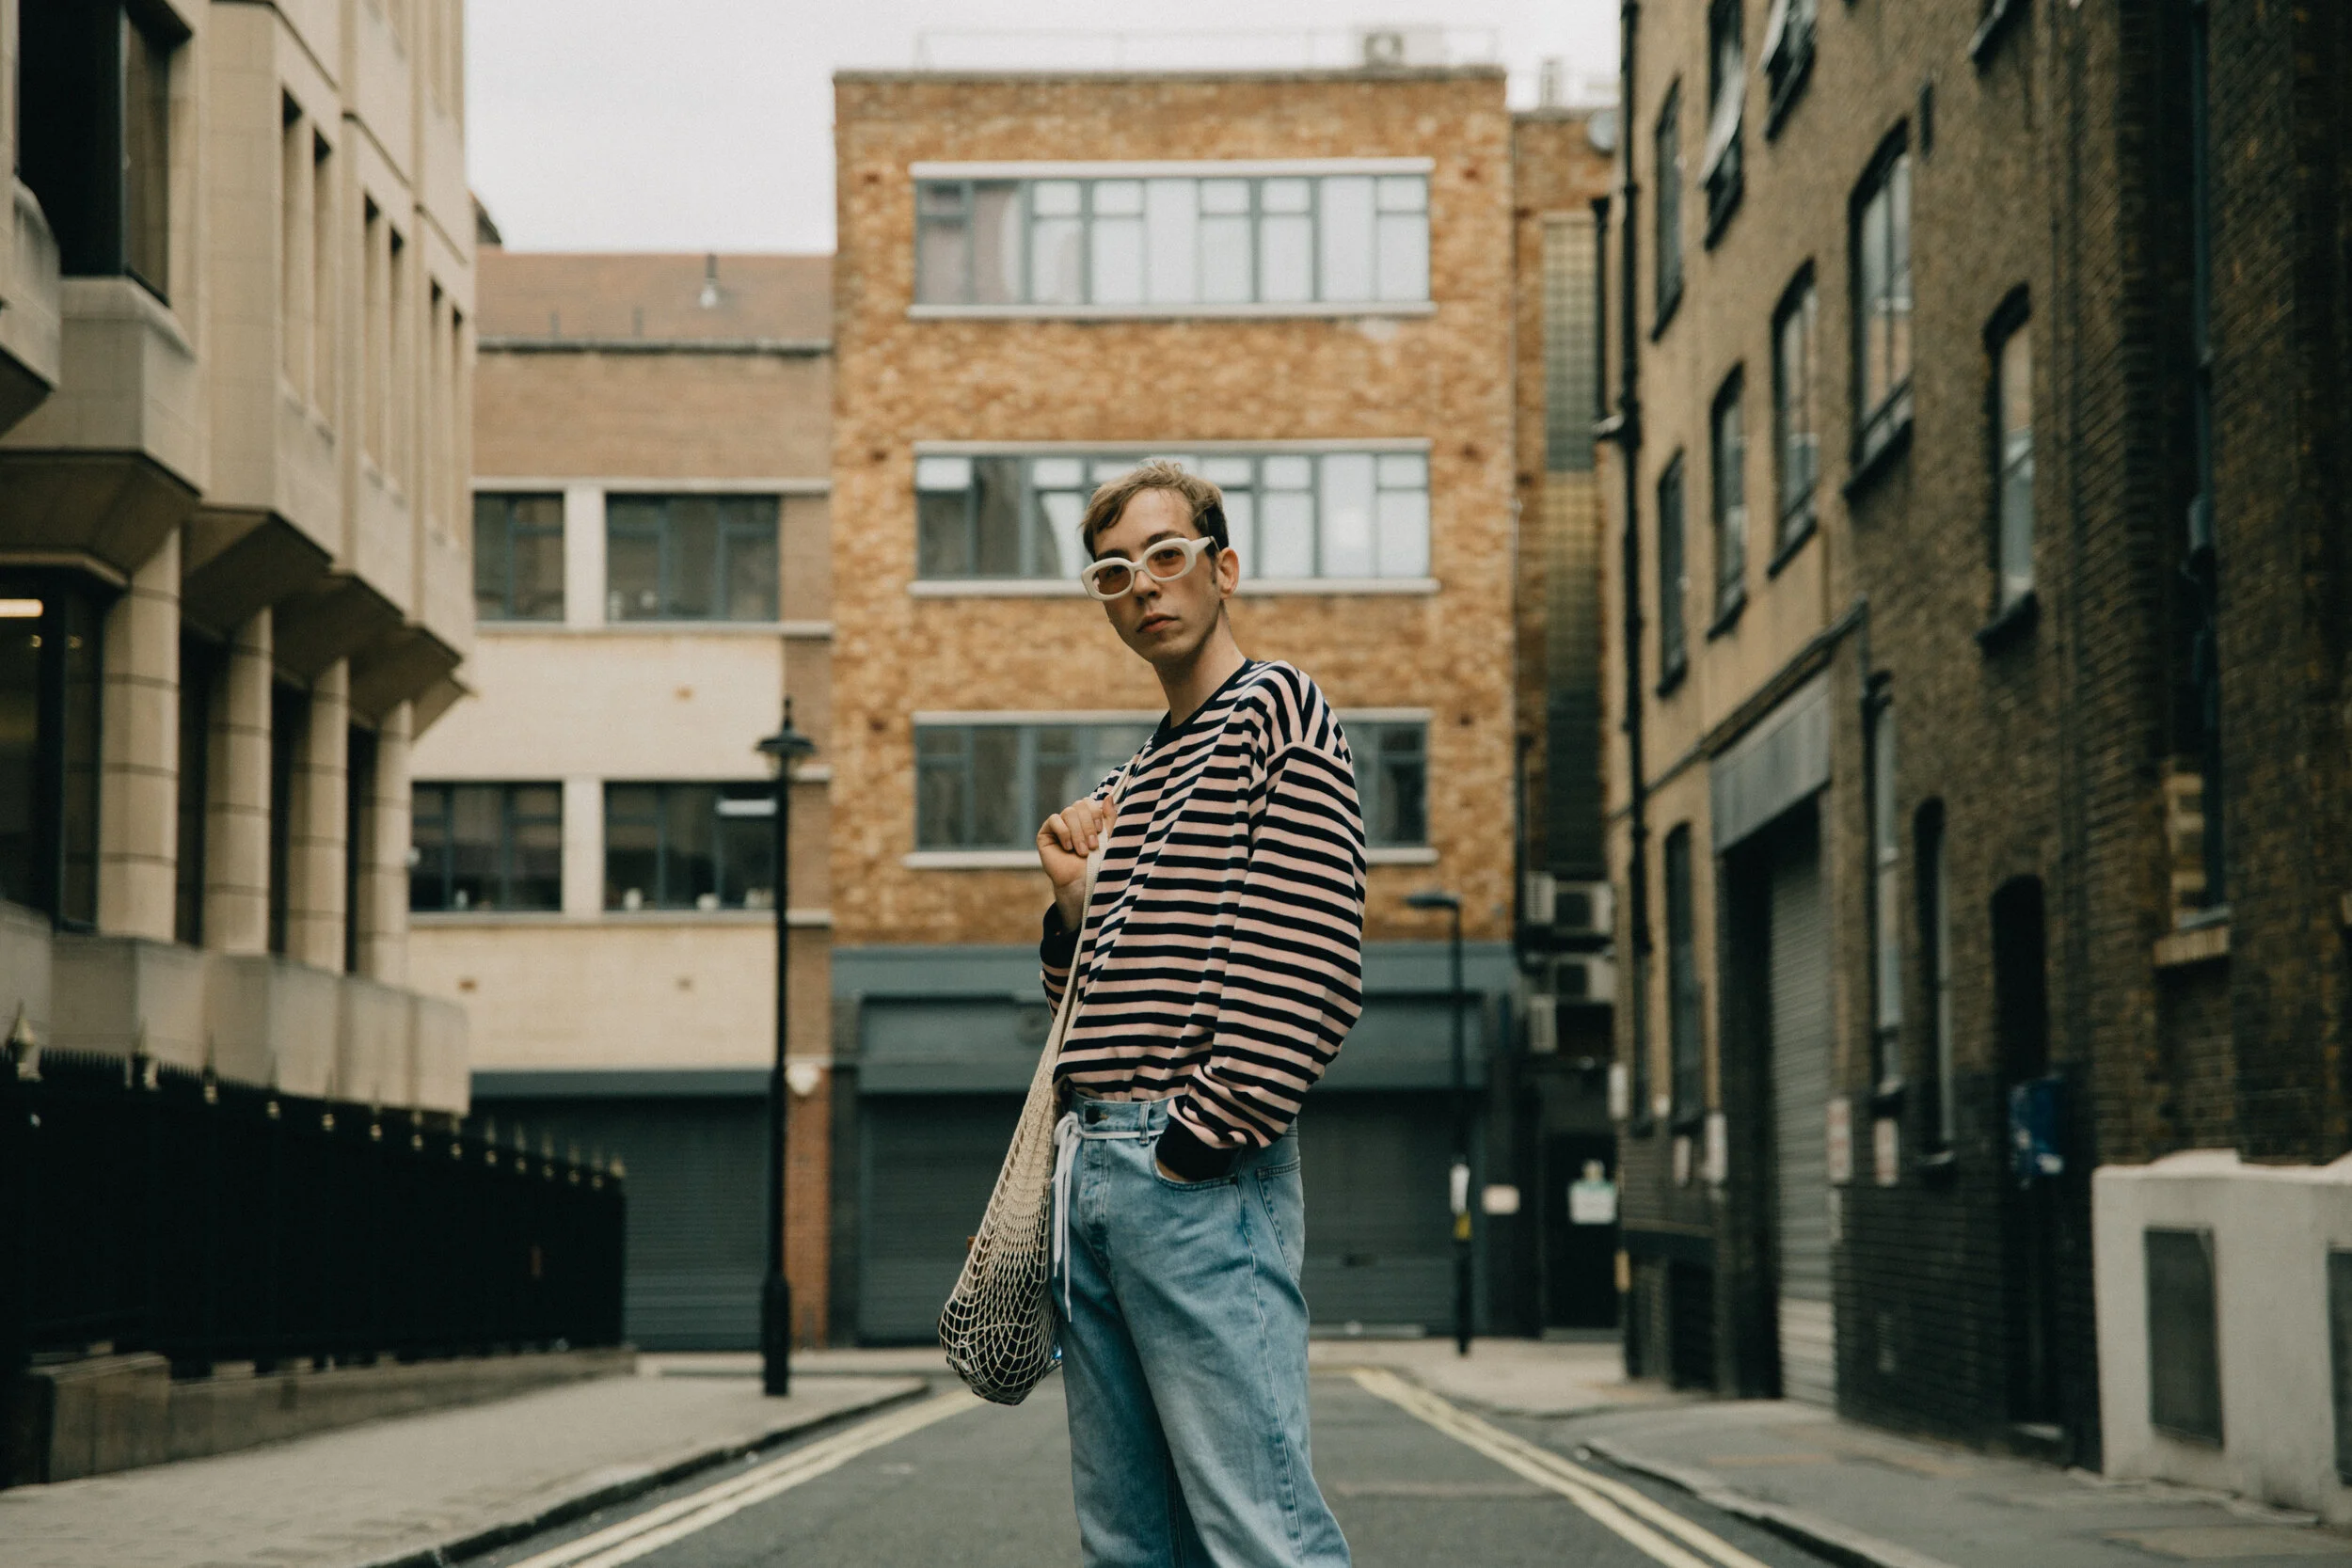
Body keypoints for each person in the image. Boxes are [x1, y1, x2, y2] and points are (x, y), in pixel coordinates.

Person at [1035, 460, 1365, 1568]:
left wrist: (1200, 1137)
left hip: (1194, 1174)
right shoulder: (1133, 777)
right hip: (1091, 1167)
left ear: (1221, 567)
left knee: (1258, 1532)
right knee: (1130, 1544)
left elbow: (1314, 954)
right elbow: (1085, 1001)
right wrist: (1071, 906)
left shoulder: (1279, 707)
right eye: (1114, 571)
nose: (1143, 588)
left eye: (1167, 557)